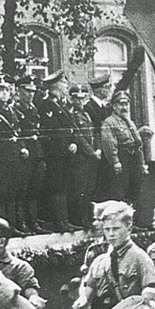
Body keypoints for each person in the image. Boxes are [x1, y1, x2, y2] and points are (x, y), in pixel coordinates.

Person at [72, 201, 155, 309]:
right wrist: (83, 298)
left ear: (129, 228)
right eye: (107, 230)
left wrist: (150, 292)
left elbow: (153, 286)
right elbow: (89, 284)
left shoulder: (139, 257)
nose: (111, 234)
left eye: (116, 229)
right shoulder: (101, 260)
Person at [0, 74, 30, 236]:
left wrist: (22, 147)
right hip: (1, 157)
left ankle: (15, 224)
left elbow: (17, 131)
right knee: (2, 194)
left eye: (6, 89)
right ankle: (4, 228)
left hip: (14, 156)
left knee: (14, 191)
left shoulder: (11, 110)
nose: (4, 93)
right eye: (0, 90)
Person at [39, 70, 81, 232]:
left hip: (65, 153)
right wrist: (65, 144)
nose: (66, 86)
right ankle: (58, 221)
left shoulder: (62, 104)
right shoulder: (48, 104)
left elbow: (70, 128)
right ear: (56, 85)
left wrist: (72, 142)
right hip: (54, 153)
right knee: (56, 186)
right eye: (64, 83)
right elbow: (52, 131)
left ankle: (65, 220)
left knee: (63, 185)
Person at [13, 75, 48, 234]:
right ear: (18, 91)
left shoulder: (33, 108)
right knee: (22, 189)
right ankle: (22, 222)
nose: (30, 94)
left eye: (33, 91)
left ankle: (33, 221)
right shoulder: (15, 109)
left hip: (36, 153)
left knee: (35, 188)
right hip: (23, 154)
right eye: (27, 91)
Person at [101, 91, 145, 206]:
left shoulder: (129, 121)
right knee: (120, 191)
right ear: (114, 106)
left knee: (135, 189)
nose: (124, 107)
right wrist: (115, 161)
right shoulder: (109, 122)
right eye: (121, 104)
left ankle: (133, 220)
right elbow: (109, 143)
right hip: (122, 159)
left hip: (134, 159)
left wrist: (143, 163)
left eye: (126, 104)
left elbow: (138, 143)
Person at [68, 84, 100, 228]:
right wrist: (91, 152)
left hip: (90, 158)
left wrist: (98, 149)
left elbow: (93, 134)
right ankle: (79, 220)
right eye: (77, 99)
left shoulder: (86, 114)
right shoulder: (71, 115)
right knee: (79, 190)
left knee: (89, 189)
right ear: (72, 99)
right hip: (80, 157)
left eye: (82, 99)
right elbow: (78, 136)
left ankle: (88, 218)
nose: (80, 102)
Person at [85, 73, 113, 200]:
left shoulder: (105, 108)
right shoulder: (89, 107)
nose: (110, 89)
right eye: (108, 86)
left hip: (106, 150)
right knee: (97, 186)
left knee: (106, 185)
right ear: (99, 90)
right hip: (97, 151)